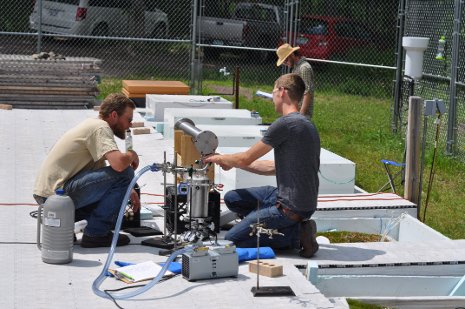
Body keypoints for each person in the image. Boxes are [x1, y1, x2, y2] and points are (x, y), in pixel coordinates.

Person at [205, 73, 320, 258]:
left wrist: (221, 158)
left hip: (290, 207)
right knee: (233, 198)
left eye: (273, 91)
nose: (272, 97)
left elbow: (245, 158)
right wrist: (232, 162)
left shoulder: (285, 124)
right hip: (297, 200)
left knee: (233, 239)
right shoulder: (306, 125)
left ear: (282, 92)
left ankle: (295, 235)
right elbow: (271, 167)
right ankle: (266, 225)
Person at [33, 93, 140, 248]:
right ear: (114, 115)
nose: (129, 125)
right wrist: (132, 155)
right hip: (58, 196)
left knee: (121, 179)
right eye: (128, 119)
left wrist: (128, 190)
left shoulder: (92, 125)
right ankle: (97, 234)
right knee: (125, 173)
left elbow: (101, 176)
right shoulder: (100, 128)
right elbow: (119, 165)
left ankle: (66, 225)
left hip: (49, 196)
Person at [276, 43, 315, 119]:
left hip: (302, 114)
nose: (285, 63)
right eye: (283, 62)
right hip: (295, 111)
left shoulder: (304, 68)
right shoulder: (296, 67)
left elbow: (308, 92)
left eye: (286, 60)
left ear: (292, 55)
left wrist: (301, 115)